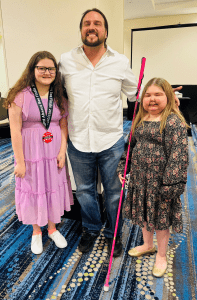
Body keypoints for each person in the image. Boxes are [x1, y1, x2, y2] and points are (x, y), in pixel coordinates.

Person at [58, 8, 141, 257]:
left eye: (97, 23)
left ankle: (113, 233)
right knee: (84, 191)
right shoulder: (65, 60)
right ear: (81, 29)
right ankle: (91, 229)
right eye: (86, 23)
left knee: (114, 193)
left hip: (111, 140)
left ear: (106, 30)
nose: (91, 27)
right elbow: (52, 91)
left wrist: (166, 97)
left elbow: (135, 93)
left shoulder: (120, 62)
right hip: (78, 140)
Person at [117, 77, 189, 277]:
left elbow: (179, 155)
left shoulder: (173, 121)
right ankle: (148, 244)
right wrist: (124, 166)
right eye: (148, 95)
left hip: (161, 184)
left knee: (160, 220)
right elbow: (131, 146)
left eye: (158, 94)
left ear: (169, 96)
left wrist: (171, 184)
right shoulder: (140, 118)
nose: (152, 99)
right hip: (141, 181)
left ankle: (162, 255)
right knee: (144, 215)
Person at [4, 51, 73, 254]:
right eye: (41, 68)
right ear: (33, 70)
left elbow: (63, 125)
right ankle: (36, 231)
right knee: (35, 187)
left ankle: (51, 228)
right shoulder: (20, 95)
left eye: (51, 68)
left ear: (55, 72)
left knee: (51, 185)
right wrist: (20, 161)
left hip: (53, 151)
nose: (46, 72)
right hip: (30, 153)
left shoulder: (60, 95)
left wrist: (62, 151)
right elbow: (15, 130)